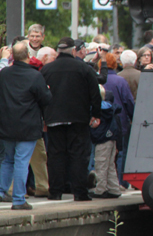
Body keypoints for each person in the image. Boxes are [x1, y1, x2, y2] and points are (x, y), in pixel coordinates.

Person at [42, 37, 102, 201]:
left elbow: (40, 95)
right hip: (78, 118)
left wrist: (43, 118)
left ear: (58, 51)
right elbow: (95, 95)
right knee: (78, 155)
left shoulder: (47, 70)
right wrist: (96, 114)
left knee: (55, 155)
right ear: (73, 51)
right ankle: (80, 192)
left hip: (54, 119)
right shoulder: (84, 68)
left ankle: (55, 192)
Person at [0, 41, 52, 209]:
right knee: (22, 161)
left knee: (7, 160)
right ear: (29, 56)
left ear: (12, 56)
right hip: (27, 125)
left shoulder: (4, 74)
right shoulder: (35, 76)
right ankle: (18, 199)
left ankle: (1, 192)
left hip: (6, 124)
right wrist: (48, 89)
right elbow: (46, 99)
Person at [103, 53, 135, 188]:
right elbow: (128, 101)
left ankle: (103, 181)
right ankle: (121, 182)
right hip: (120, 121)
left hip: (101, 121)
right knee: (121, 152)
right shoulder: (120, 81)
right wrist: (133, 117)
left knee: (102, 153)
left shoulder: (97, 79)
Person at [90, 86, 122, 199]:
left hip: (102, 139)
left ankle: (100, 189)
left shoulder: (96, 109)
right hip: (111, 138)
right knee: (110, 165)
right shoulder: (110, 108)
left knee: (101, 164)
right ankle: (114, 189)